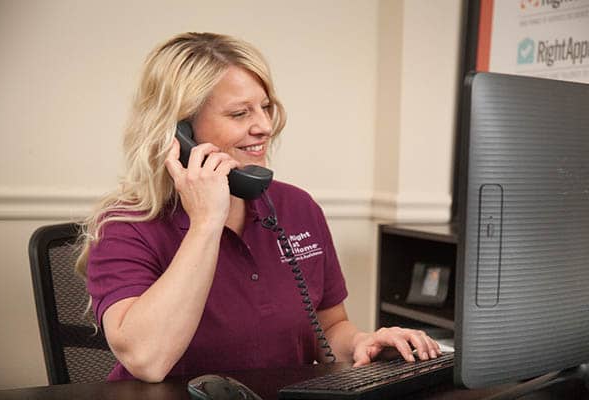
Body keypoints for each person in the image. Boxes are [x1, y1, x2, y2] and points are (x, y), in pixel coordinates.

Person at [76, 32, 441, 383]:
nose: (265, 126)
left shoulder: (296, 207)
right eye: (239, 114)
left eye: (265, 108)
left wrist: (362, 342)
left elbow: (327, 327)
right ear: (179, 131)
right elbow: (146, 361)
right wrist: (206, 223)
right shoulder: (126, 224)